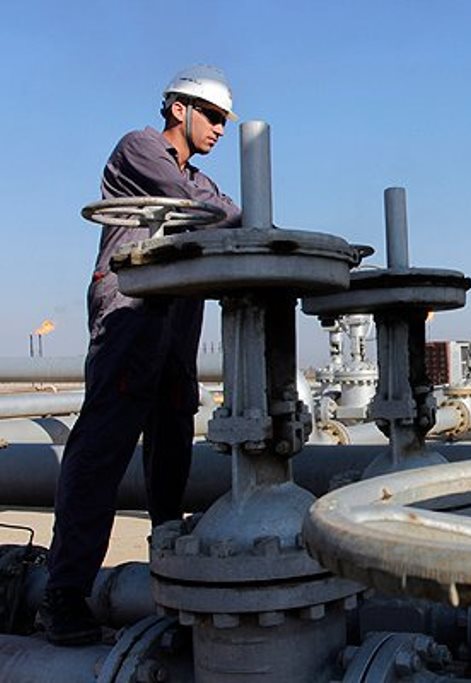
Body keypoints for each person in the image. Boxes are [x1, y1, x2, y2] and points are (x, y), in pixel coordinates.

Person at [38, 65, 242, 646]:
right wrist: (227, 216)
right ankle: (64, 594)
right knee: (102, 447)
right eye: (213, 116)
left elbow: (228, 213)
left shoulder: (197, 177)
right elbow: (209, 211)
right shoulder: (140, 148)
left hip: (177, 312)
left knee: (173, 440)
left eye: (225, 121)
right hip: (131, 306)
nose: (219, 129)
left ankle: (169, 576)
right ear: (179, 109)